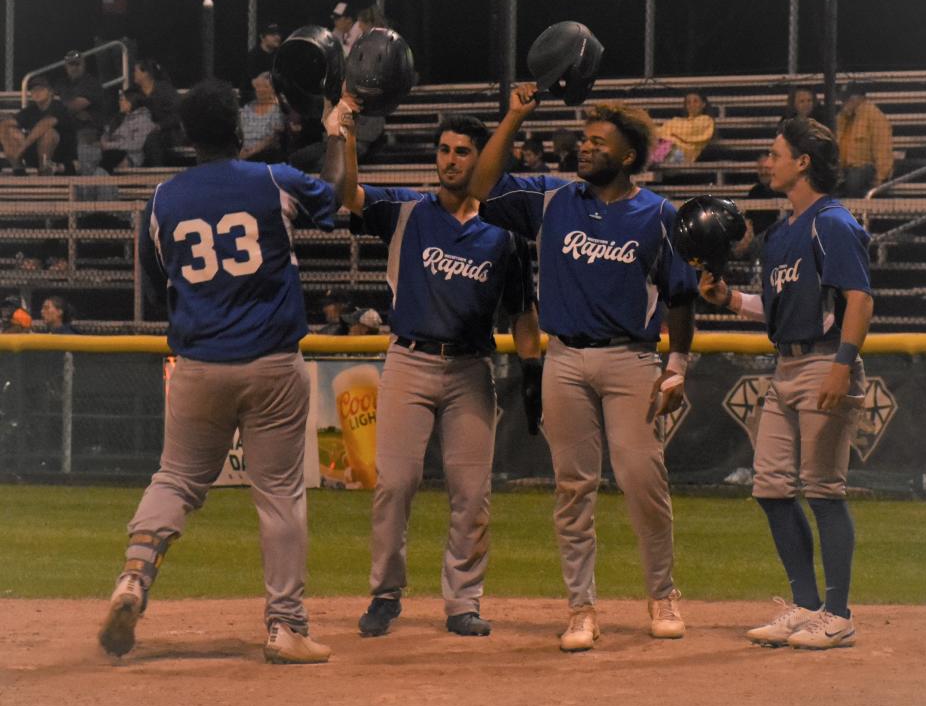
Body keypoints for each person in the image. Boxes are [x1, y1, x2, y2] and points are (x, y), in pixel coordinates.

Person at [97, 79, 339, 664]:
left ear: (184, 136)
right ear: (237, 130)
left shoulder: (162, 200)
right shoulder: (272, 179)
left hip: (200, 363)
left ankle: (134, 576)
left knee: (176, 479)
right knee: (279, 493)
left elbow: (159, 287)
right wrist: (337, 130)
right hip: (272, 363)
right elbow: (334, 192)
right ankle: (285, 626)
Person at [466, 85, 698, 652]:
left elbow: (681, 297)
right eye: (585, 139)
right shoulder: (553, 197)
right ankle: (581, 607)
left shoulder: (659, 215)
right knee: (573, 487)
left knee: (644, 480)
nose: (584, 148)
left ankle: (663, 593)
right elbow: (480, 185)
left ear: (626, 156)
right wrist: (516, 115)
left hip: (631, 359)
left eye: (599, 142)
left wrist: (678, 366)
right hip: (564, 358)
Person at [325, 99, 541, 638]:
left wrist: (534, 371)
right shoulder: (406, 210)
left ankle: (463, 601)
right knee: (395, 484)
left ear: (480, 157)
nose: (450, 160)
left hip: (471, 369)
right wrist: (347, 139)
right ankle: (385, 593)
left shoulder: (503, 231)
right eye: (444, 150)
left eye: (463, 151)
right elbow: (346, 194)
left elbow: (521, 311)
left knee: (472, 492)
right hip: (409, 361)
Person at [699, 116, 872, 650]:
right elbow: (774, 310)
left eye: (775, 153)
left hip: (825, 363)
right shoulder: (779, 234)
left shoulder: (832, 222)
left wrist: (844, 363)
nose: (765, 162)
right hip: (786, 366)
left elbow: (860, 299)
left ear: (803, 162)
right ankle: (803, 605)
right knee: (772, 489)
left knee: (823, 491)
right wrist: (729, 300)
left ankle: (837, 615)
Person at [0, 75, 76, 175]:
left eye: (40, 89)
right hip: (34, 153)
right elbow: (9, 123)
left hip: (61, 157)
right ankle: (18, 171)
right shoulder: (31, 110)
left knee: (48, 133)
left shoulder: (59, 106)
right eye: (33, 90)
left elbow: (45, 124)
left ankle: (44, 173)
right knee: (7, 129)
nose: (36, 92)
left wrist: (22, 148)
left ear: (50, 92)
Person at [95, 0, 145, 87]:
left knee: (127, 84)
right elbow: (97, 12)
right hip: (103, 44)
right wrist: (98, 36)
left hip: (124, 43)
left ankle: (127, 109)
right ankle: (109, 110)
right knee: (106, 85)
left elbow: (139, 15)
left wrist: (128, 36)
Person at [836, 83, 893, 197]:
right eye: (844, 99)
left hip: (865, 169)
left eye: (849, 99)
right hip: (844, 170)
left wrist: (881, 177)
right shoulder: (842, 118)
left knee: (855, 178)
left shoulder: (874, 116)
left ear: (860, 98)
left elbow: (882, 148)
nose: (845, 103)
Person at [57, 50, 105, 174]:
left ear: (83, 64)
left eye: (77, 64)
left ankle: (87, 179)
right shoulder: (62, 83)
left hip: (89, 130)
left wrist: (63, 105)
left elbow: (74, 106)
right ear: (66, 66)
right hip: (68, 127)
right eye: (71, 64)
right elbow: (63, 107)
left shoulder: (91, 83)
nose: (74, 67)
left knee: (84, 137)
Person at [732, 154, 786, 260]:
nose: (763, 172)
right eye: (760, 169)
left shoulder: (783, 189)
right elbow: (748, 221)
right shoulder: (755, 191)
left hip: (779, 239)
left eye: (766, 168)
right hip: (758, 243)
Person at [134, 59, 183, 166]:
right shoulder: (135, 94)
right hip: (142, 132)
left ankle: (156, 175)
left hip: (167, 132)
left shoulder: (165, 90)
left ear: (145, 73)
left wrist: (159, 126)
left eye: (136, 71)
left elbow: (177, 115)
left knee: (152, 139)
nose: (134, 74)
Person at [99, 87, 155, 171]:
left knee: (110, 157)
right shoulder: (120, 118)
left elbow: (137, 145)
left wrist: (110, 145)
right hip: (112, 152)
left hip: (130, 157)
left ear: (130, 102)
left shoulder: (143, 120)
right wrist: (104, 140)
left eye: (122, 100)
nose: (119, 102)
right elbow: (107, 133)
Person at [656, 90, 715, 163]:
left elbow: (688, 131)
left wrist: (670, 131)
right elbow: (659, 132)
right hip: (668, 151)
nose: (691, 105)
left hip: (683, 156)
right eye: (688, 102)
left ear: (703, 104)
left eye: (695, 101)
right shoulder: (678, 120)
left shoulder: (706, 120)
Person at [240, 72, 286, 163]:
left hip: (266, 156)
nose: (260, 90)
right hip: (244, 153)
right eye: (258, 86)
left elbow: (272, 139)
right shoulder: (248, 107)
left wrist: (251, 152)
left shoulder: (277, 110)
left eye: (265, 87)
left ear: (273, 90)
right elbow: (241, 133)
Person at [241, 23, 283, 104]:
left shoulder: (278, 55)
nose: (277, 37)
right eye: (272, 34)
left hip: (273, 99)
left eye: (278, 34)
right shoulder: (253, 56)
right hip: (252, 100)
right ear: (262, 37)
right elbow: (255, 82)